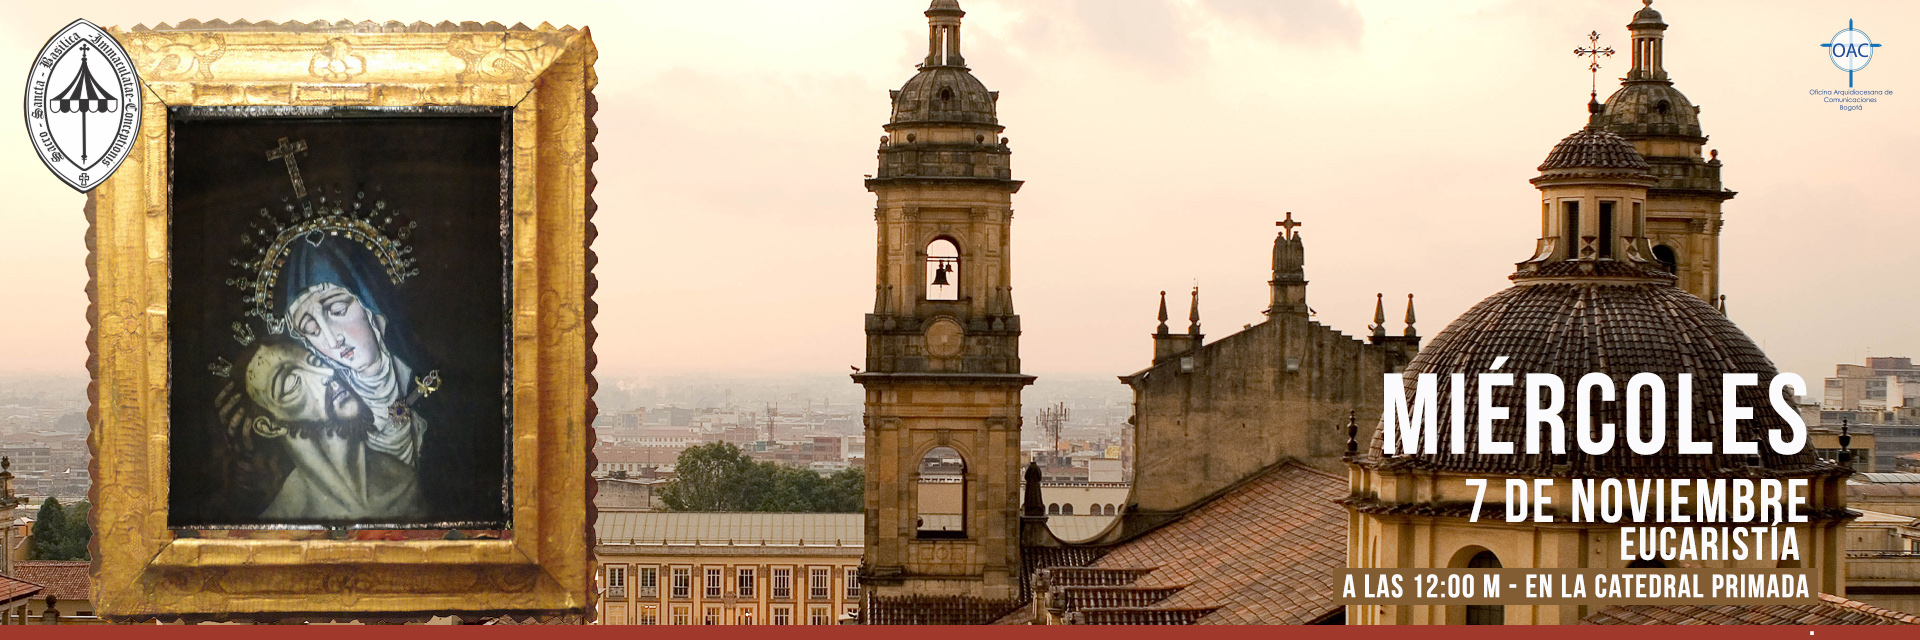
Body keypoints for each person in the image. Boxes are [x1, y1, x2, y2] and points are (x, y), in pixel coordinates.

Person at [221, 335, 423, 521]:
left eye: (315, 362)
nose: (327, 373)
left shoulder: (405, 481)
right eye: (291, 383)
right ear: (269, 427)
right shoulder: (280, 520)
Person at [278, 234, 428, 468]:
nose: (332, 339)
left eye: (337, 310)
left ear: (370, 305)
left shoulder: (427, 379)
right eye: (311, 329)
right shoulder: (333, 414)